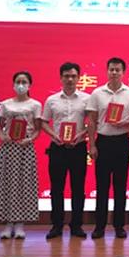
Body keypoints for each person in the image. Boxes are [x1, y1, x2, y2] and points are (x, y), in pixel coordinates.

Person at [87, 57, 129, 239]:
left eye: (118, 70)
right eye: (111, 69)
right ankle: (99, 226)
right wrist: (92, 144)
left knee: (120, 185)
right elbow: (91, 121)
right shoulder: (97, 93)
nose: (114, 72)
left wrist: (125, 123)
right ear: (107, 71)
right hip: (103, 142)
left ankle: (119, 225)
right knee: (101, 186)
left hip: (121, 142)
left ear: (123, 72)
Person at [40, 62, 90, 239]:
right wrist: (54, 135)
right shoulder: (52, 100)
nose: (70, 79)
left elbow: (93, 123)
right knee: (57, 188)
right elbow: (44, 122)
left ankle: (77, 225)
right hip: (57, 148)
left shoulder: (87, 99)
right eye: (66, 76)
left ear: (78, 78)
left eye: (73, 76)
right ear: (61, 78)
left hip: (78, 147)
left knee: (78, 188)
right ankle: (57, 225)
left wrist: (81, 135)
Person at [0, 71, 42, 239]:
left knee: (24, 184)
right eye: (18, 81)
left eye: (24, 82)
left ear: (30, 85)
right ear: (13, 84)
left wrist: (29, 139)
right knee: (7, 184)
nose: (21, 85)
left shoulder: (35, 105)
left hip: (25, 149)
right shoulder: (6, 104)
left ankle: (20, 224)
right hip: (8, 149)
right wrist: (2, 136)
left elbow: (38, 129)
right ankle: (8, 224)